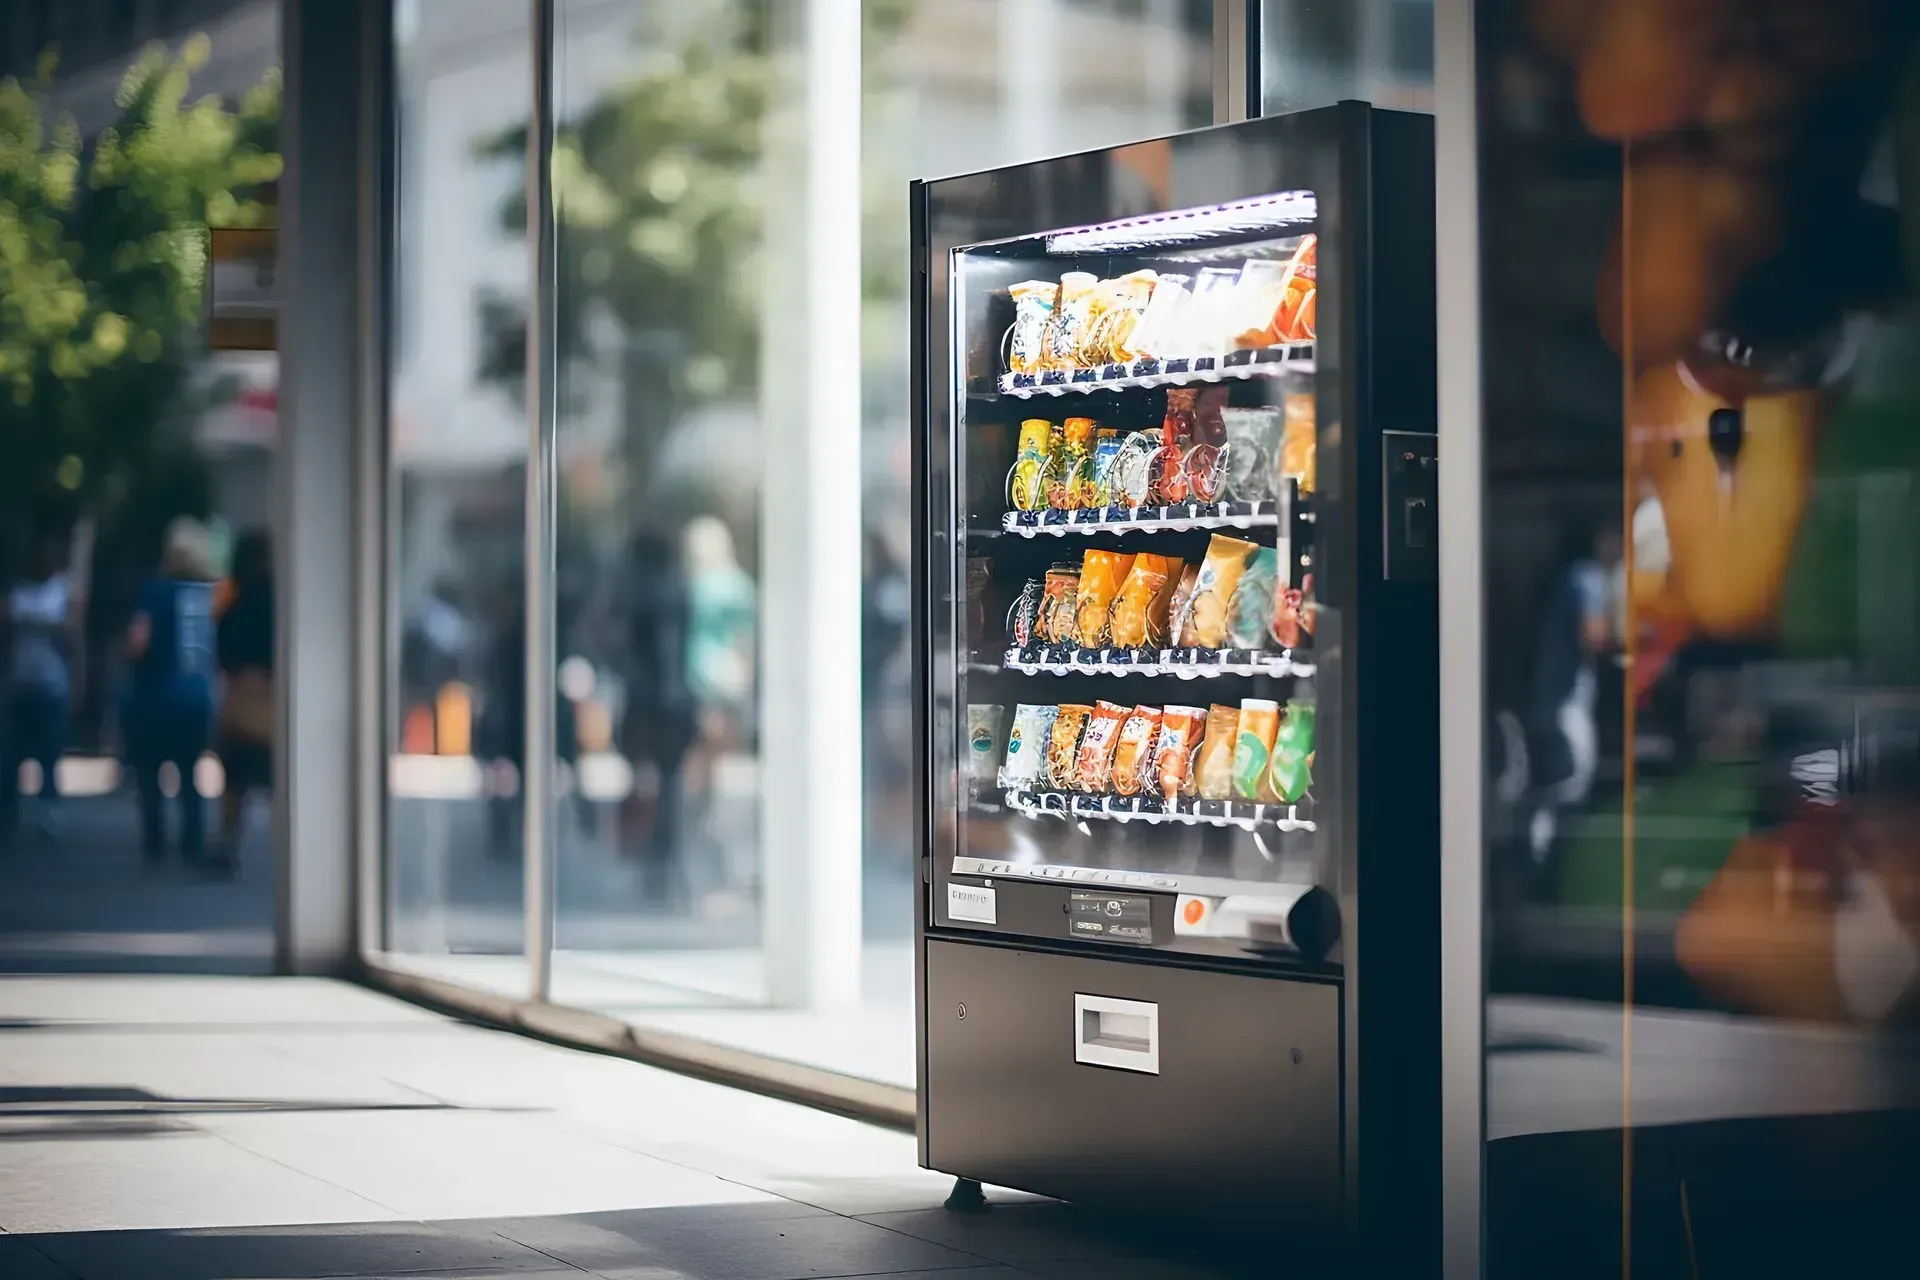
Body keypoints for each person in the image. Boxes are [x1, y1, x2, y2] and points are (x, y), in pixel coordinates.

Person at [1523, 518, 1623, 875]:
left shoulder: (1572, 576)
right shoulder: (1587, 576)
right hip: (1563, 706)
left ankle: (1545, 859)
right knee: (1568, 785)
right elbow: (1595, 636)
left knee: (1559, 787)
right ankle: (1543, 863)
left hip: (1553, 700)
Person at [124, 517, 218, 866]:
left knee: (150, 775)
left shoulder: (155, 592)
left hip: (155, 698)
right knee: (190, 774)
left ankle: (155, 845)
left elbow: (138, 641)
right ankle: (192, 843)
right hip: (197, 699)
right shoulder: (212, 595)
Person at [1, 532, 78, 848]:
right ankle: (9, 811)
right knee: (11, 754)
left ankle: (48, 809)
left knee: (50, 752)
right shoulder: (18, 591)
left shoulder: (61, 591)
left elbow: (71, 631)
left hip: (52, 683)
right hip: (20, 683)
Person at [212, 528, 274, 875]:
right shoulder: (278, 601)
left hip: (238, 703)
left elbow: (222, 652)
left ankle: (227, 845)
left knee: (234, 782)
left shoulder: (231, 602)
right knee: (277, 781)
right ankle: (294, 848)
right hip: (271, 704)